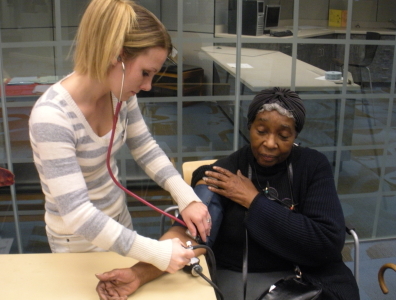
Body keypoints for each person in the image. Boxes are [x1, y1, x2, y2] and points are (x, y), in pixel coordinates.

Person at [96, 87, 360, 300]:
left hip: (314, 278)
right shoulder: (224, 174)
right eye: (261, 131)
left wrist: (254, 201)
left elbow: (326, 244)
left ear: (295, 136)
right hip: (247, 281)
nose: (270, 143)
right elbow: (190, 234)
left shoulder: (312, 167)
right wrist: (138, 273)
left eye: (284, 135)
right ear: (249, 127)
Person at [28, 0, 211, 274]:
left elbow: (145, 148)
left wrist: (186, 197)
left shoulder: (120, 94)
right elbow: (78, 213)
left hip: (118, 222)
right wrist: (157, 252)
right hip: (78, 241)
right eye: (145, 73)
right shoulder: (52, 117)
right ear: (117, 55)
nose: (148, 86)